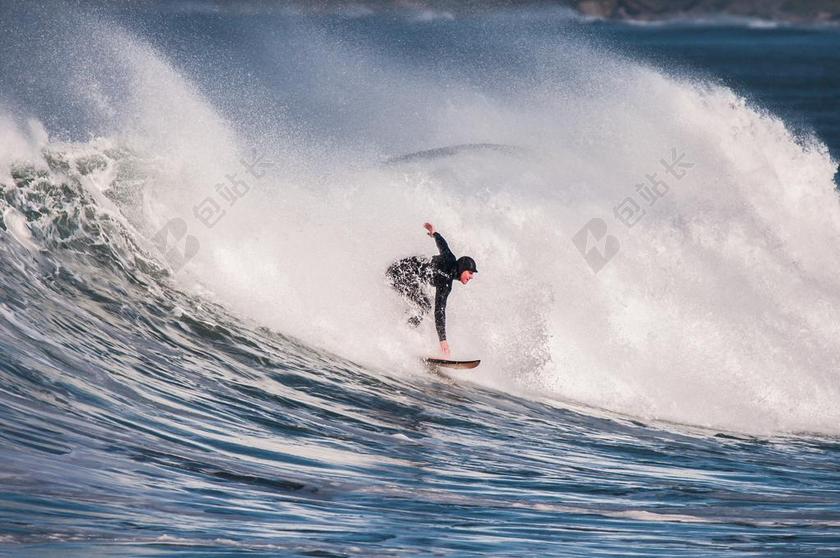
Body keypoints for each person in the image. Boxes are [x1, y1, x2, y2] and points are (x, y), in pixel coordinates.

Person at [386, 223, 477, 356]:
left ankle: (401, 332)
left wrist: (435, 233)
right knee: (424, 306)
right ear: (463, 268)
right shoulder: (447, 274)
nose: (472, 277)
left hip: (400, 271)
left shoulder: (448, 270)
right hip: (401, 271)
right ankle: (402, 333)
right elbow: (439, 311)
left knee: (422, 306)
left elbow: (443, 245)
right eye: (470, 272)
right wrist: (443, 340)